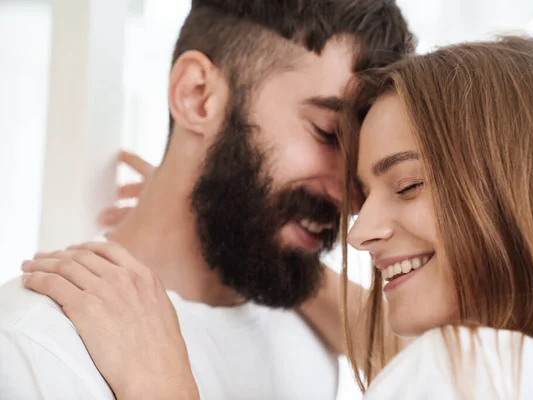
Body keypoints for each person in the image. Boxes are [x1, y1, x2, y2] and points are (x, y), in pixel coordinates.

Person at [23, 35, 533, 399]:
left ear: (520, 192)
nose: (358, 226)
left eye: (407, 183)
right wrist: (250, 227)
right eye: (363, 187)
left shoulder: (472, 369)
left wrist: (162, 388)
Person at [0, 1, 415, 398]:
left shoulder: (308, 331)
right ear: (198, 95)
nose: (354, 198)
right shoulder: (34, 347)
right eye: (326, 133)